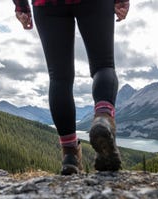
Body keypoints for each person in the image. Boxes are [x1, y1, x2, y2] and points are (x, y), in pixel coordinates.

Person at [12, 0, 130, 175]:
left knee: (59, 78)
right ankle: (103, 119)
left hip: (46, 5)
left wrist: (21, 6)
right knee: (103, 65)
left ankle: (70, 155)